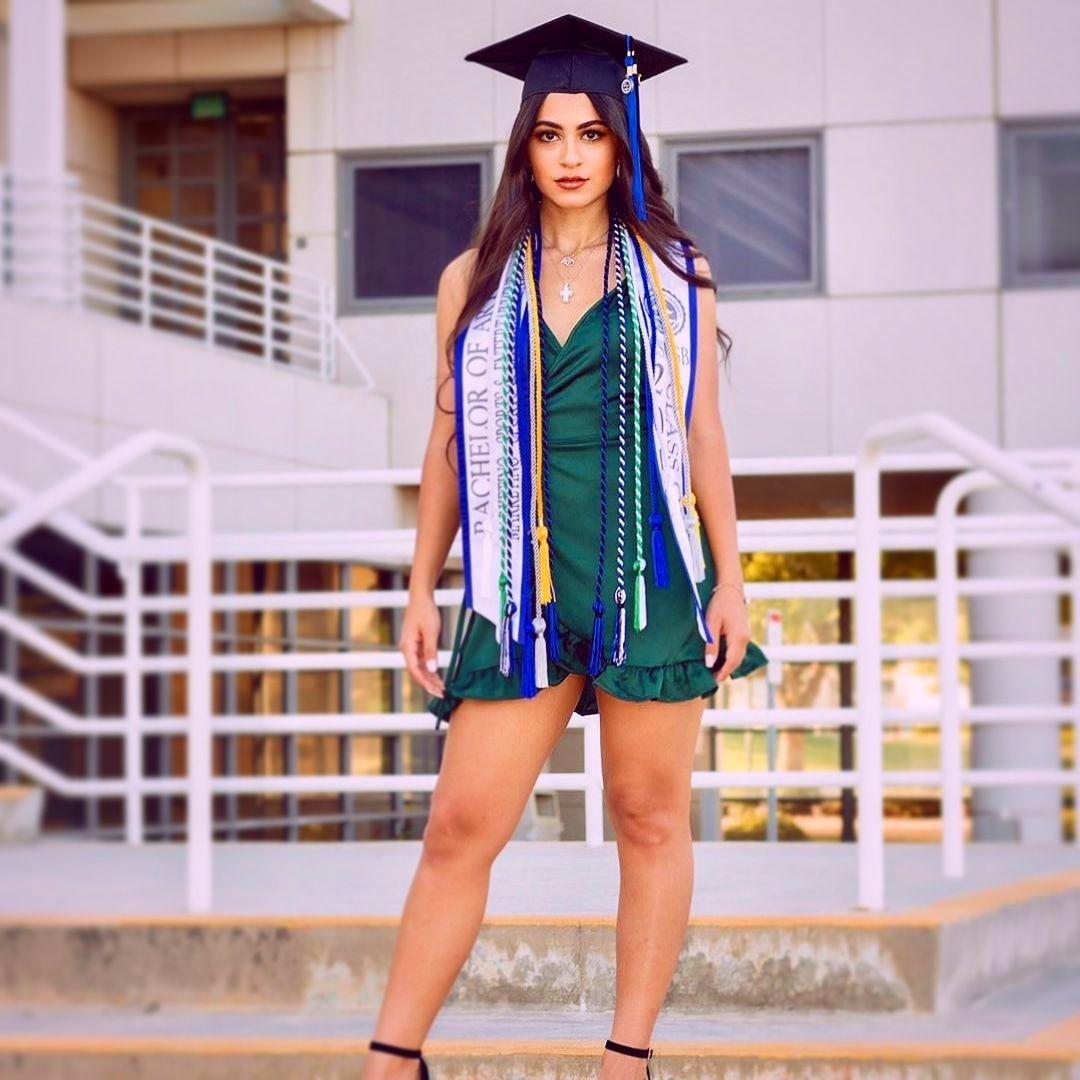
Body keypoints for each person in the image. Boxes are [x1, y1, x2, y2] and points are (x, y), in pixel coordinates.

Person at [364, 13, 764, 1080]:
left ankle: (626, 1057)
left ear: (622, 142)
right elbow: (447, 441)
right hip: (518, 580)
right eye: (551, 134)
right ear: (524, 146)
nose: (573, 155)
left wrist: (732, 578)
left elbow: (703, 433)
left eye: (593, 133)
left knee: (648, 815)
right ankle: (392, 1059)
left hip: (650, 572)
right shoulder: (475, 277)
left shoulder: (677, 271)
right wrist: (420, 586)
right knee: (459, 825)